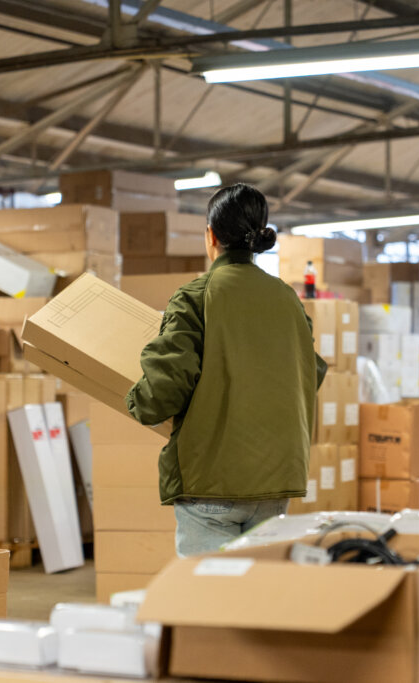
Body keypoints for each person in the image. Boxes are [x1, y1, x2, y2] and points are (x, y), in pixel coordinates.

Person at [125, 184, 327, 557]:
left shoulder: (197, 296)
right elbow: (310, 372)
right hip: (277, 480)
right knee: (258, 597)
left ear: (211, 236)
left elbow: (163, 388)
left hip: (212, 483)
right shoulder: (287, 300)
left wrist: (135, 401)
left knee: (207, 600)